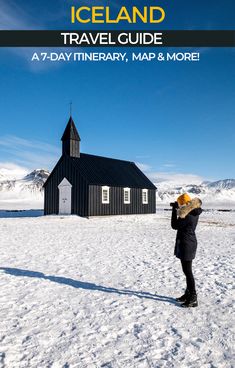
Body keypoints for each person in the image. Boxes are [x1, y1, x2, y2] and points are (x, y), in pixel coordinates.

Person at [171, 193, 202, 308]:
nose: (179, 206)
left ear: (184, 204)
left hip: (187, 245)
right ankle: (188, 294)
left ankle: (193, 297)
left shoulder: (187, 215)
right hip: (188, 243)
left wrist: (174, 210)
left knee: (188, 272)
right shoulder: (192, 212)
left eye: (180, 204)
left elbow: (174, 225)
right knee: (186, 271)